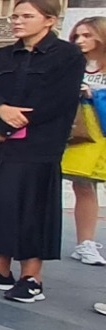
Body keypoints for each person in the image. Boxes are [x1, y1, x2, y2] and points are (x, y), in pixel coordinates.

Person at [0, 0, 88, 304]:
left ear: (49, 20)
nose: (18, 21)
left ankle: (32, 277)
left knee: (33, 208)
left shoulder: (66, 56)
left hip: (37, 147)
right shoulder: (3, 56)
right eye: (15, 16)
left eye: (26, 16)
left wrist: (6, 128)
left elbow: (56, 100)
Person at [62, 16, 106, 266]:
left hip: (100, 129)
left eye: (87, 35)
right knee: (82, 184)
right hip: (76, 130)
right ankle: (85, 243)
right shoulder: (72, 63)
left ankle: (86, 243)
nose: (80, 41)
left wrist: (94, 93)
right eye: (77, 36)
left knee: (88, 185)